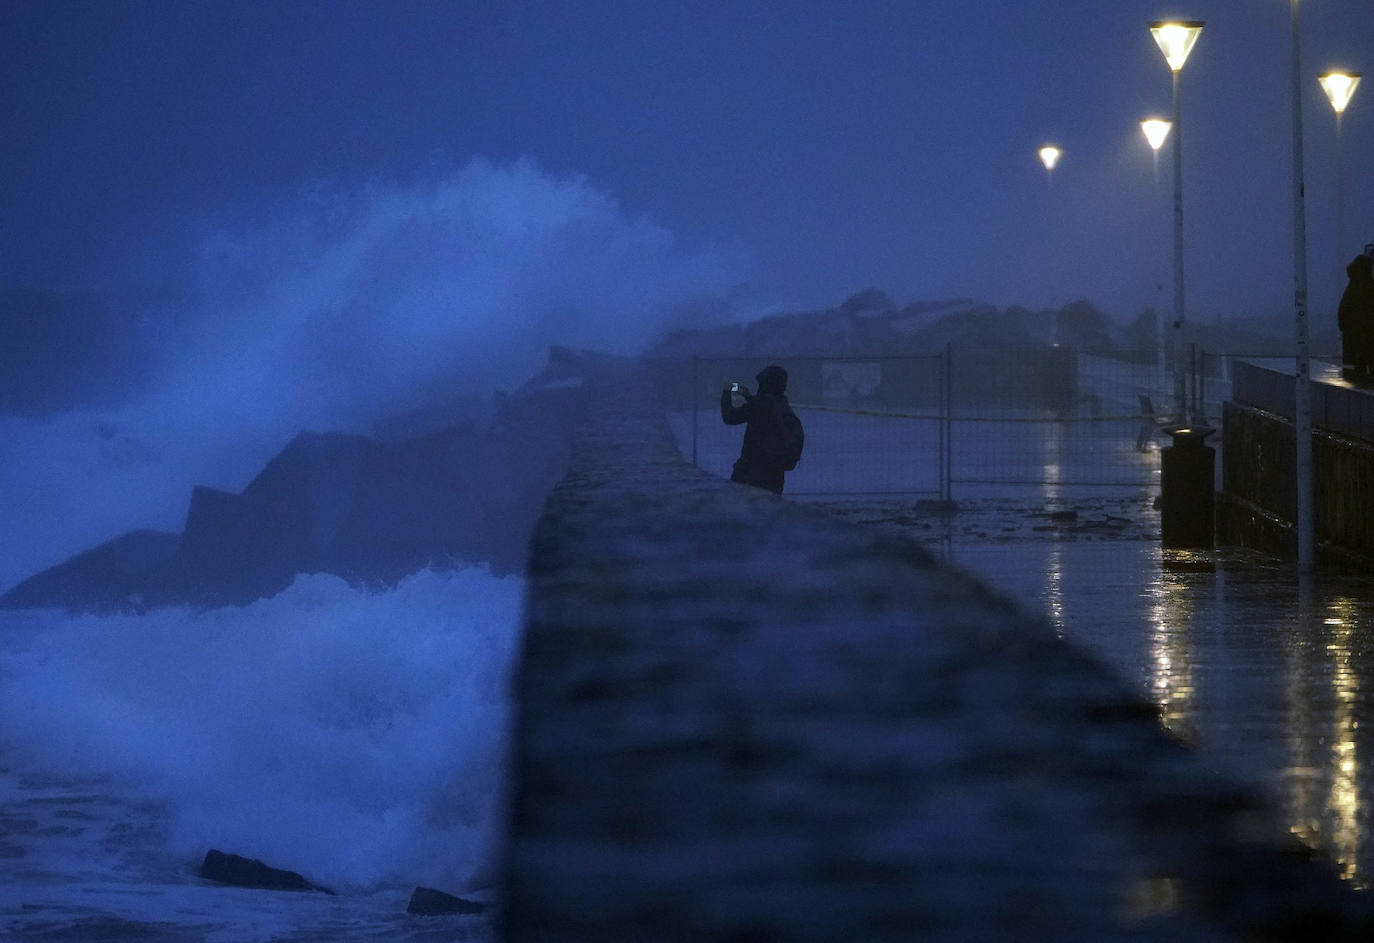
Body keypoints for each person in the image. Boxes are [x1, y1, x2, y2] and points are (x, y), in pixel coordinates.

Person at [720, 364, 804, 495]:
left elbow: (729, 417)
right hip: (774, 473)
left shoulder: (760, 405)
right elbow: (766, 409)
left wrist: (726, 392)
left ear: (765, 384)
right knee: (770, 512)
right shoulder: (782, 404)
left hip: (751, 472)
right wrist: (749, 397)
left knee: (744, 511)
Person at [1338, 244, 1374, 381]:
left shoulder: (1353, 286)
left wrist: (1344, 325)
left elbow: (1344, 309)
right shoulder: (1367, 285)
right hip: (1366, 331)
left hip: (1356, 333)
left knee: (1360, 365)